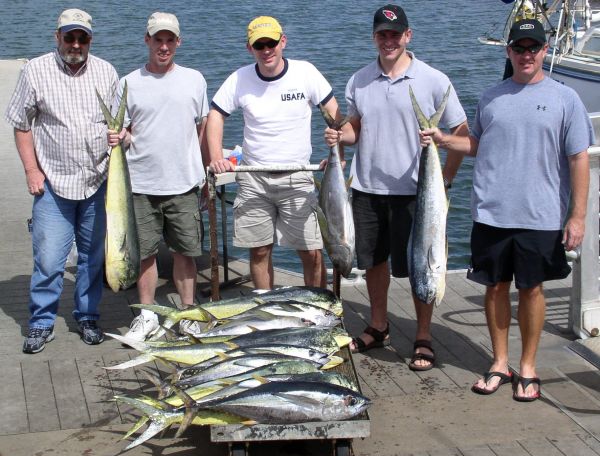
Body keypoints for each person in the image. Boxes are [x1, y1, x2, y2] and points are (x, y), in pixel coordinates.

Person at [420, 19, 592, 400]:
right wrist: (443, 139)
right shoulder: (491, 97)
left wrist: (576, 216)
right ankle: (500, 362)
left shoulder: (566, 99)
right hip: (491, 213)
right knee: (495, 288)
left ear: (545, 51)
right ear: (508, 51)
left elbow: (579, 159)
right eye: (519, 48)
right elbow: (477, 144)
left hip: (540, 215)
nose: (526, 54)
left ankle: (528, 367)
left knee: (531, 290)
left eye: (533, 48)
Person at [324, 4, 468, 367]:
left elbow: (460, 132)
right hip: (367, 187)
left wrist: (445, 179)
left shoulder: (434, 80)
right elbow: (356, 129)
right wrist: (340, 133)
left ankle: (422, 335)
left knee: (422, 264)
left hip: (417, 194)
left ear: (408, 35)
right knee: (373, 262)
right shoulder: (359, 80)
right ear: (374, 37)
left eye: (395, 34)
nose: (388, 41)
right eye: (382, 34)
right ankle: (378, 325)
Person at [5, 9, 119, 353]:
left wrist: (122, 136)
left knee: (92, 258)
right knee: (50, 259)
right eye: (69, 37)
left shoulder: (107, 71)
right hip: (53, 185)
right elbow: (21, 124)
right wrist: (31, 170)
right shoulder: (35, 70)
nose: (75, 44)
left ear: (90, 40)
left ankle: (87, 316)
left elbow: (119, 124)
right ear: (57, 37)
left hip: (98, 183)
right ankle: (41, 322)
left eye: (82, 38)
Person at [207, 15, 340, 290]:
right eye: (259, 45)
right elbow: (216, 115)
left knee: (311, 252)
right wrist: (215, 158)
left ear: (283, 42)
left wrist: (338, 155)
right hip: (253, 179)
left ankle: (317, 310)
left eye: (272, 43)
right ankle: (267, 309)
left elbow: (335, 117)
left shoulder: (306, 73)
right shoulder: (239, 78)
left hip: (299, 177)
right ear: (250, 48)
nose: (266, 50)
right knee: (259, 250)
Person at [108, 12, 209, 340]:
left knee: (186, 253)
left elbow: (202, 128)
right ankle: (147, 314)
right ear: (147, 40)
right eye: (157, 39)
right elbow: (123, 132)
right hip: (139, 184)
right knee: (145, 254)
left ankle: (188, 313)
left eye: (169, 40)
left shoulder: (195, 79)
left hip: (183, 183)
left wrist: (205, 175)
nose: (163, 46)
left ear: (178, 42)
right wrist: (118, 138)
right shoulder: (128, 83)